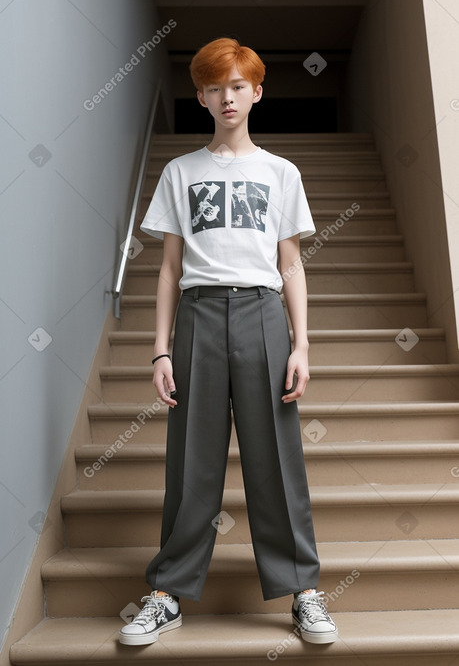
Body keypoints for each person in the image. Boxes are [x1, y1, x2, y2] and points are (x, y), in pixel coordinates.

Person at [119, 38, 338, 647]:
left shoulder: (280, 172)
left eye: (238, 85)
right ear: (201, 97)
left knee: (276, 458)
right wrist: (161, 349)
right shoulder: (180, 171)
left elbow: (291, 263)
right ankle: (166, 595)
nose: (227, 97)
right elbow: (167, 268)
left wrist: (301, 343)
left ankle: (304, 592)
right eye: (215, 87)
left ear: (257, 92)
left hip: (264, 314)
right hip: (198, 314)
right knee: (192, 461)